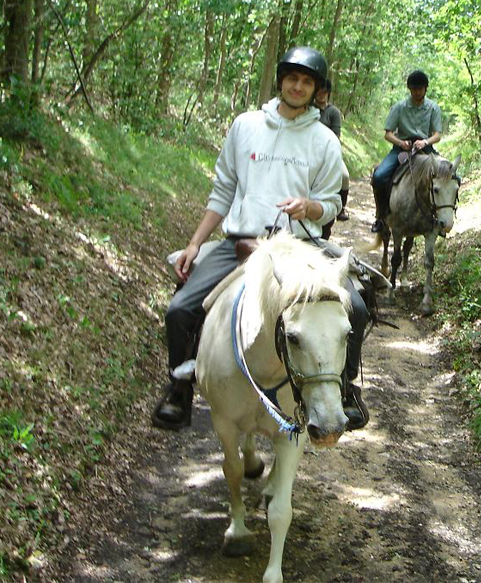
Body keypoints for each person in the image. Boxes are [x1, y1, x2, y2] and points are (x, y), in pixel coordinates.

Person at [152, 46, 370, 432]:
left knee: (354, 305)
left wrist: (310, 208)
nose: (298, 87)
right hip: (243, 242)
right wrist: (194, 242)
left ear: (317, 89)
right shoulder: (246, 126)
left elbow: (332, 203)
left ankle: (345, 389)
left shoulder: (324, 140)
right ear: (281, 80)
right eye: (292, 78)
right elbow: (222, 191)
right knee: (180, 309)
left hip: (300, 247)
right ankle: (179, 388)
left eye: (307, 81)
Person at [370, 69, 442, 233]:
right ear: (409, 89)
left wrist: (425, 142)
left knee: (449, 175)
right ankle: (381, 216)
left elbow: (437, 135)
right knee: (379, 176)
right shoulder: (400, 107)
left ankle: (440, 218)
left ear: (425, 89)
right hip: (401, 148)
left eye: (420, 89)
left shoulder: (433, 108)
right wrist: (401, 143)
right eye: (414, 89)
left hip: (425, 148)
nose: (417, 92)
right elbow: (388, 134)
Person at [314, 79, 350, 237]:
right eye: (319, 92)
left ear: (328, 93)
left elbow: (336, 135)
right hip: (309, 150)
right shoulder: (308, 109)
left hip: (329, 152)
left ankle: (341, 209)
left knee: (344, 176)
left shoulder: (333, 112)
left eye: (324, 92)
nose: (321, 95)